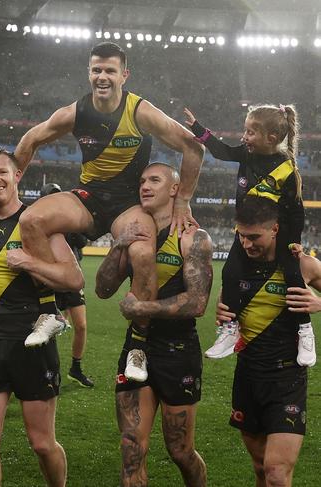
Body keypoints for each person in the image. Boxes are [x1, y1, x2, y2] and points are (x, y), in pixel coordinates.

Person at [14, 42, 204, 382]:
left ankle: (139, 347)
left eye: (110, 71)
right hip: (88, 197)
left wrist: (183, 200)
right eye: (97, 70)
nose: (103, 77)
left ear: (124, 75)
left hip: (128, 204)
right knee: (30, 219)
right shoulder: (75, 112)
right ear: (89, 73)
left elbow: (193, 145)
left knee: (143, 250)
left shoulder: (140, 111)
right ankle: (50, 311)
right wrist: (14, 184)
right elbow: (30, 139)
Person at [0, 150, 84, 487]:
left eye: (2, 172)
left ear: (17, 176)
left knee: (42, 443)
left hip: (34, 341)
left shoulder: (38, 223)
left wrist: (29, 263)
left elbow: (74, 279)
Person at [95, 163, 212, 486]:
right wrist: (118, 244)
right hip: (137, 347)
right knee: (131, 447)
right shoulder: (133, 235)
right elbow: (103, 290)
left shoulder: (192, 238)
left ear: (174, 189)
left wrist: (141, 307)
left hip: (179, 351)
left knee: (181, 451)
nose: (145, 185)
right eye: (142, 181)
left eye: (154, 180)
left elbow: (197, 303)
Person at [184, 105, 315, 365]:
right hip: (244, 231)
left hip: (278, 235)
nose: (244, 137)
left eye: (251, 132)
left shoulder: (286, 168)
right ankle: (229, 330)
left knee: (292, 276)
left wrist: (294, 243)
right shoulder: (246, 154)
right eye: (245, 131)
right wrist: (197, 128)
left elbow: (295, 210)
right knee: (230, 273)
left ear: (272, 139)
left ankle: (305, 331)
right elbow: (222, 152)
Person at [216, 195, 321, 486]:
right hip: (247, 375)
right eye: (242, 236)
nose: (247, 244)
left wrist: (318, 303)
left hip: (287, 378)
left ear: (275, 229)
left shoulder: (302, 265)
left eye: (254, 237)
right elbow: (227, 306)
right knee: (261, 468)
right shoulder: (236, 270)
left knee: (277, 473)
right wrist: (221, 309)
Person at [39, 183, 94, 387]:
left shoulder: (69, 220)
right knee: (47, 330)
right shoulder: (38, 221)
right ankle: (45, 370)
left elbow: (82, 242)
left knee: (81, 325)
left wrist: (69, 225)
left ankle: (75, 369)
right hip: (50, 279)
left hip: (72, 279)